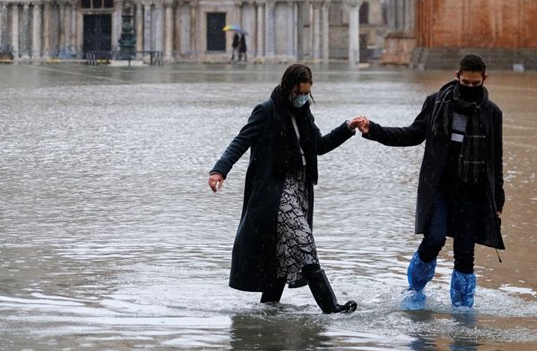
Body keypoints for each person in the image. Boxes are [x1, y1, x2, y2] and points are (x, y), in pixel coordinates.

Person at [208, 64, 364, 313]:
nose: (303, 98)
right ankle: (330, 306)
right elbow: (241, 140)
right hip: (276, 190)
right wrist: (219, 170)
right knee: (304, 242)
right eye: (299, 92)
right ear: (288, 87)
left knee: (280, 252)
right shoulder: (266, 110)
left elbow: (319, 146)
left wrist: (347, 128)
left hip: (300, 187)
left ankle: (268, 309)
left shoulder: (304, 114)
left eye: (307, 93)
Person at [355, 53, 504, 309]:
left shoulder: (492, 113)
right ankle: (414, 292)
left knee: (465, 254)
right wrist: (374, 130)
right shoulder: (436, 103)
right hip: (439, 188)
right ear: (457, 76)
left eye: (474, 84)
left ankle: (462, 311)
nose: (469, 88)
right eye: (465, 83)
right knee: (434, 239)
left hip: (472, 191)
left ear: (484, 80)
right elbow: (412, 134)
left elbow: (495, 159)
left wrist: (498, 199)